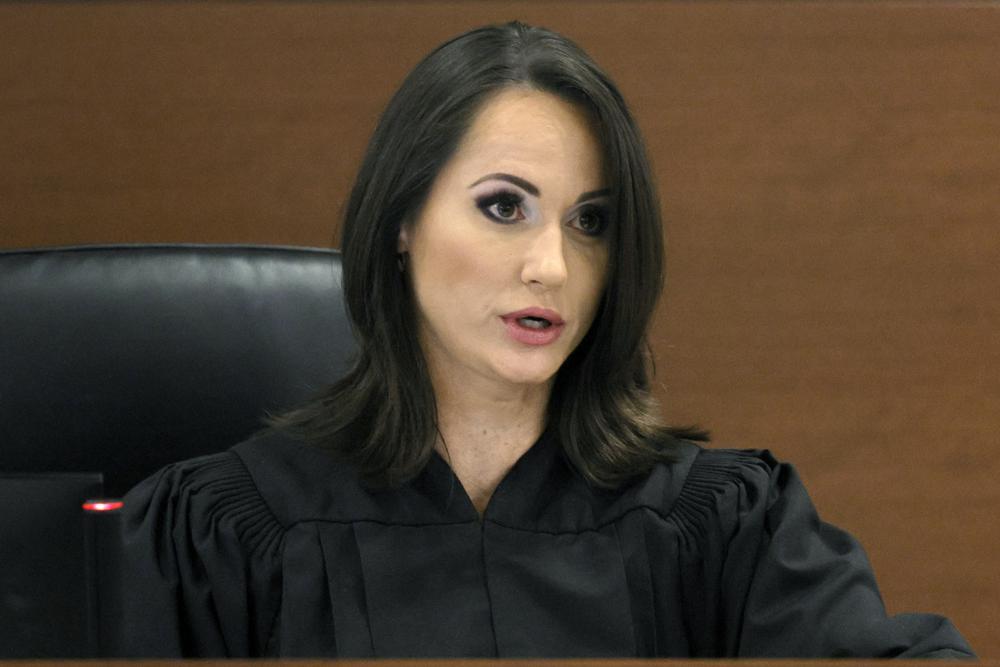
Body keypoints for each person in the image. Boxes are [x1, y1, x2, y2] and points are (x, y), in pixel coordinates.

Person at [114, 21, 974, 658]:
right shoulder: (219, 533)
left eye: (590, 221)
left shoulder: (724, 526)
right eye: (504, 206)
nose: (553, 267)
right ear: (402, 220)